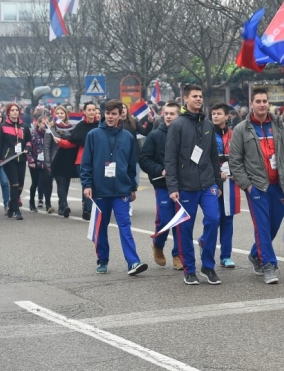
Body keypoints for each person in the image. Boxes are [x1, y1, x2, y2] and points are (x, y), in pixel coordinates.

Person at [229, 88, 284, 284]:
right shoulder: (241, 129)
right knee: (263, 226)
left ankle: (254, 254)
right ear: (251, 104)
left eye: (264, 101)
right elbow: (235, 162)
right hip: (257, 186)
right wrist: (247, 186)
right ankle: (269, 265)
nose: (262, 104)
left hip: (279, 186)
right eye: (258, 101)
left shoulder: (280, 126)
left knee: (273, 225)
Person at [165, 84, 223, 286]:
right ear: (186, 99)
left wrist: (217, 182)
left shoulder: (208, 125)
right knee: (185, 229)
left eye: (200, 96)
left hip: (207, 184)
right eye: (195, 96)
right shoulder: (177, 125)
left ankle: (208, 266)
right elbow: (170, 158)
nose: (199, 99)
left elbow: (213, 156)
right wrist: (173, 187)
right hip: (185, 186)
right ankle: (189, 270)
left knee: (214, 220)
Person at [80, 100, 147, 276]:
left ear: (120, 115)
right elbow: (86, 163)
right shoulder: (93, 135)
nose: (110, 117)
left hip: (121, 189)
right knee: (101, 227)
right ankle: (102, 259)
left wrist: (132, 187)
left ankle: (133, 262)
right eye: (108, 113)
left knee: (125, 225)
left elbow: (131, 165)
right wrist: (87, 184)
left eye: (114, 114)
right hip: (100, 190)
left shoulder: (128, 137)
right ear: (104, 114)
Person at [140, 102, 183, 271]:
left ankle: (178, 255)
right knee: (165, 219)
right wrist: (160, 170)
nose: (169, 116)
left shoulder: (185, 134)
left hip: (183, 185)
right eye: (166, 113)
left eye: (172, 113)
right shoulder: (155, 135)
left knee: (181, 221)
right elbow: (144, 159)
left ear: (179, 116)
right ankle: (158, 245)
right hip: (163, 184)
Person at [55, 102, 99, 219]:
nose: (91, 112)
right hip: (82, 161)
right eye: (89, 110)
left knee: (95, 185)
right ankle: (88, 210)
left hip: (97, 160)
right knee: (87, 184)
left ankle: (88, 207)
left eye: (93, 110)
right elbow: (72, 142)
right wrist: (60, 141)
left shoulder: (100, 126)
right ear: (84, 111)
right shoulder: (80, 126)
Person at [209, 102, 237, 269]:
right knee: (214, 218)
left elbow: (239, 156)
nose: (215, 116)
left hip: (231, 181)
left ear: (227, 116)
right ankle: (205, 242)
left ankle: (226, 256)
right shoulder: (206, 133)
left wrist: (236, 172)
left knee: (228, 219)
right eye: (213, 114)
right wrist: (217, 173)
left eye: (219, 113)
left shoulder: (234, 134)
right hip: (213, 181)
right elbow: (204, 158)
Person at [0, 103, 31, 220]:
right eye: (12, 110)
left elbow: (29, 140)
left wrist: (28, 148)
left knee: (20, 186)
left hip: (21, 159)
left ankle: (11, 205)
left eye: (17, 110)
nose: (15, 112)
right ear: (8, 113)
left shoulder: (24, 126)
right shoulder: (3, 127)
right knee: (14, 184)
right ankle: (17, 211)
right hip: (9, 159)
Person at [26, 114, 52, 214]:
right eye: (43, 123)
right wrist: (31, 161)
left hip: (45, 163)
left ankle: (48, 204)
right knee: (35, 183)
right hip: (35, 162)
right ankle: (32, 203)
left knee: (47, 182)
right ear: (38, 123)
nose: (45, 125)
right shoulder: (33, 134)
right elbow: (29, 148)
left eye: (47, 123)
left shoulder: (49, 133)